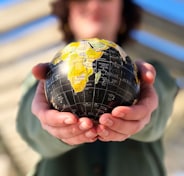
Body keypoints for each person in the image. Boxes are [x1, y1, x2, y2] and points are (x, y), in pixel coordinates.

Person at [16, 0, 178, 176]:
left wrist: (148, 111)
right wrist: (44, 123)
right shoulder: (40, 80)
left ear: (122, 11)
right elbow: (28, 125)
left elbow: (162, 103)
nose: (94, 5)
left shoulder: (154, 75)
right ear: (67, 12)